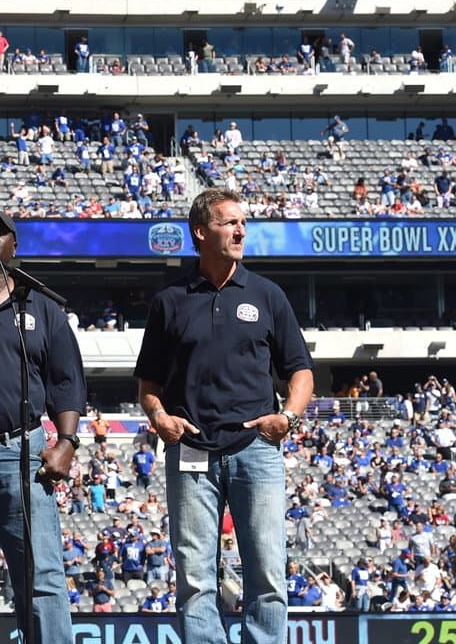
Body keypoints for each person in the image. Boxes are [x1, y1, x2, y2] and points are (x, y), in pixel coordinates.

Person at [135, 187, 313, 644]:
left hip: (255, 449)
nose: (239, 230)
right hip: (191, 449)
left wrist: (287, 418)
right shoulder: (170, 300)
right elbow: (148, 385)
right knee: (194, 578)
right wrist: (159, 418)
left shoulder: (267, 294)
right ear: (200, 231)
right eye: (229, 222)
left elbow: (301, 372)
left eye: (243, 222)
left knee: (268, 573)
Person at [0, 208, 82, 642]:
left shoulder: (42, 306)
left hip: (19, 451)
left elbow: (65, 380)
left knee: (42, 577)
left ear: (16, 245)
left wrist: (66, 441)